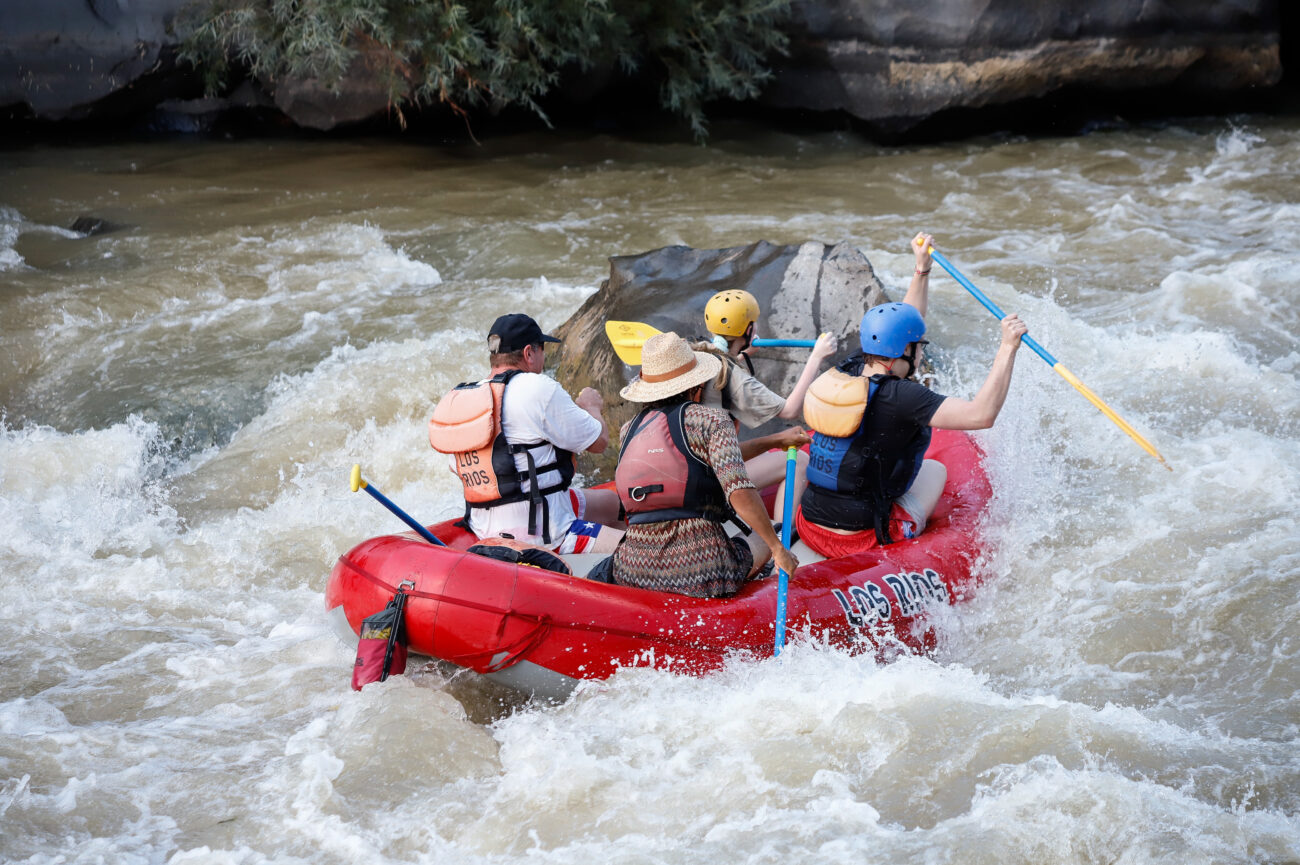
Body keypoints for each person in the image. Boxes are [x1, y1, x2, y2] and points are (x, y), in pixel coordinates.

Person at [795, 233, 1028, 556]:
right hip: (860, 539)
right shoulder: (904, 396)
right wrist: (1007, 347)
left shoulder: (849, 368)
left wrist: (922, 270)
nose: (920, 356)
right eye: (918, 348)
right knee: (935, 470)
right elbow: (981, 415)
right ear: (906, 351)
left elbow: (903, 322)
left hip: (809, 524)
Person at [611, 331, 799, 597]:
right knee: (770, 534)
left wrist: (773, 441)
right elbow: (739, 492)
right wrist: (778, 549)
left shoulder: (629, 430)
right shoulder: (712, 420)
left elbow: (695, 461)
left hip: (633, 569)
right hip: (702, 570)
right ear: (696, 386)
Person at [428, 313, 623, 554]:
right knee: (637, 551)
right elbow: (599, 442)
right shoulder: (538, 388)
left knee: (615, 504)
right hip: (547, 535)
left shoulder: (461, 398)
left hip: (484, 531)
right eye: (542, 350)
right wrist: (591, 406)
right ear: (529, 353)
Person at [698, 289, 838, 522]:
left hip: (690, 467)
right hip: (708, 478)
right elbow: (790, 410)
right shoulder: (735, 379)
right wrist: (816, 357)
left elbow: (723, 358)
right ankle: (784, 534)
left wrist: (741, 353)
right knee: (800, 460)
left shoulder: (698, 353)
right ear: (749, 329)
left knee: (756, 457)